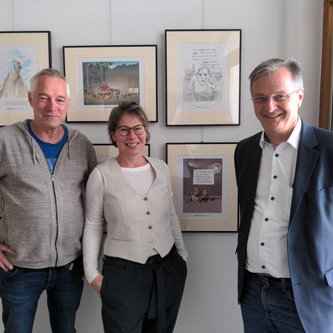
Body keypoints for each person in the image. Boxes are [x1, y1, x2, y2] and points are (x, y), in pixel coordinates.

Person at [235, 57, 333, 333]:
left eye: (280, 96)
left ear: (299, 96)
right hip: (254, 293)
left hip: (308, 298)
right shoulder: (244, 151)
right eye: (260, 98)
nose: (270, 106)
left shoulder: (329, 149)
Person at [0, 68, 97, 333]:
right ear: (31, 99)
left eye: (59, 99)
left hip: (69, 267)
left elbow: (95, 203)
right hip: (19, 267)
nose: (51, 106)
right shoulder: (5, 141)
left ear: (67, 104)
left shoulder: (82, 145)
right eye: (43, 98)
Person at [83, 100, 188, 333]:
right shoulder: (101, 175)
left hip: (166, 268)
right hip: (122, 274)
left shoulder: (160, 167)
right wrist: (91, 273)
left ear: (146, 131)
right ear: (113, 134)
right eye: (124, 129)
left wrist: (182, 255)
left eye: (138, 128)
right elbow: (93, 223)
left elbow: (170, 212)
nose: (132, 135)